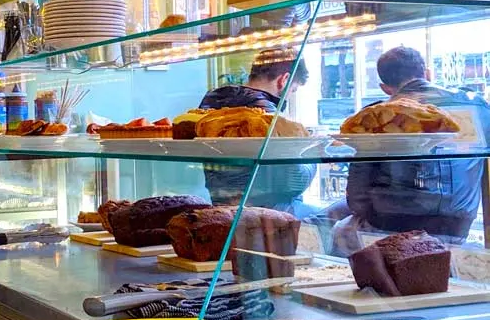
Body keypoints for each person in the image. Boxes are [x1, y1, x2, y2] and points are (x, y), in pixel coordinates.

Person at [331, 46, 487, 255]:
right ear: (428, 73)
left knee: (337, 229)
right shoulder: (478, 105)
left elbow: (357, 198)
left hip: (393, 231)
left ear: (385, 87)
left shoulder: (378, 117)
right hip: (459, 229)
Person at [200, 49, 317, 216]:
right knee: (329, 219)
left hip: (222, 208)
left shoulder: (211, 99)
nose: (290, 96)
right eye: (293, 90)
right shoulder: (264, 114)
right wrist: (314, 150)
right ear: (283, 80)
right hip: (265, 213)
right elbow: (294, 181)